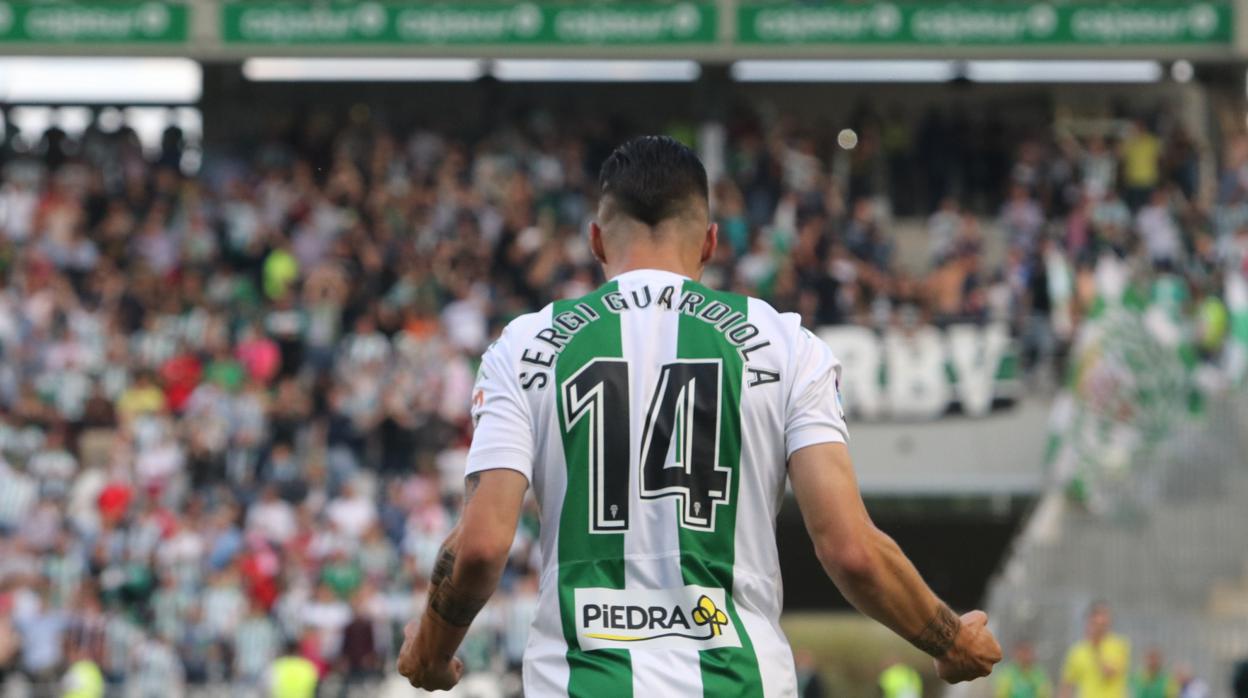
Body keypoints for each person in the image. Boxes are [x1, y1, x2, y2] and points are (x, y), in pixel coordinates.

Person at [396, 136, 1001, 695]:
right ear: (710, 242)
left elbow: (480, 549)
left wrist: (430, 650)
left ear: (596, 241)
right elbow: (850, 550)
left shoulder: (527, 346)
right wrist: (950, 639)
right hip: (737, 681)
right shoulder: (786, 345)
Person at [1059, 602, 1130, 698]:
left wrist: (1095, 649)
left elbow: (1108, 674)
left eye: (1103, 624)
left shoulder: (1119, 645)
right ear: (1089, 622)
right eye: (1096, 623)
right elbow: (1067, 684)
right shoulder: (1077, 651)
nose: (1099, 628)